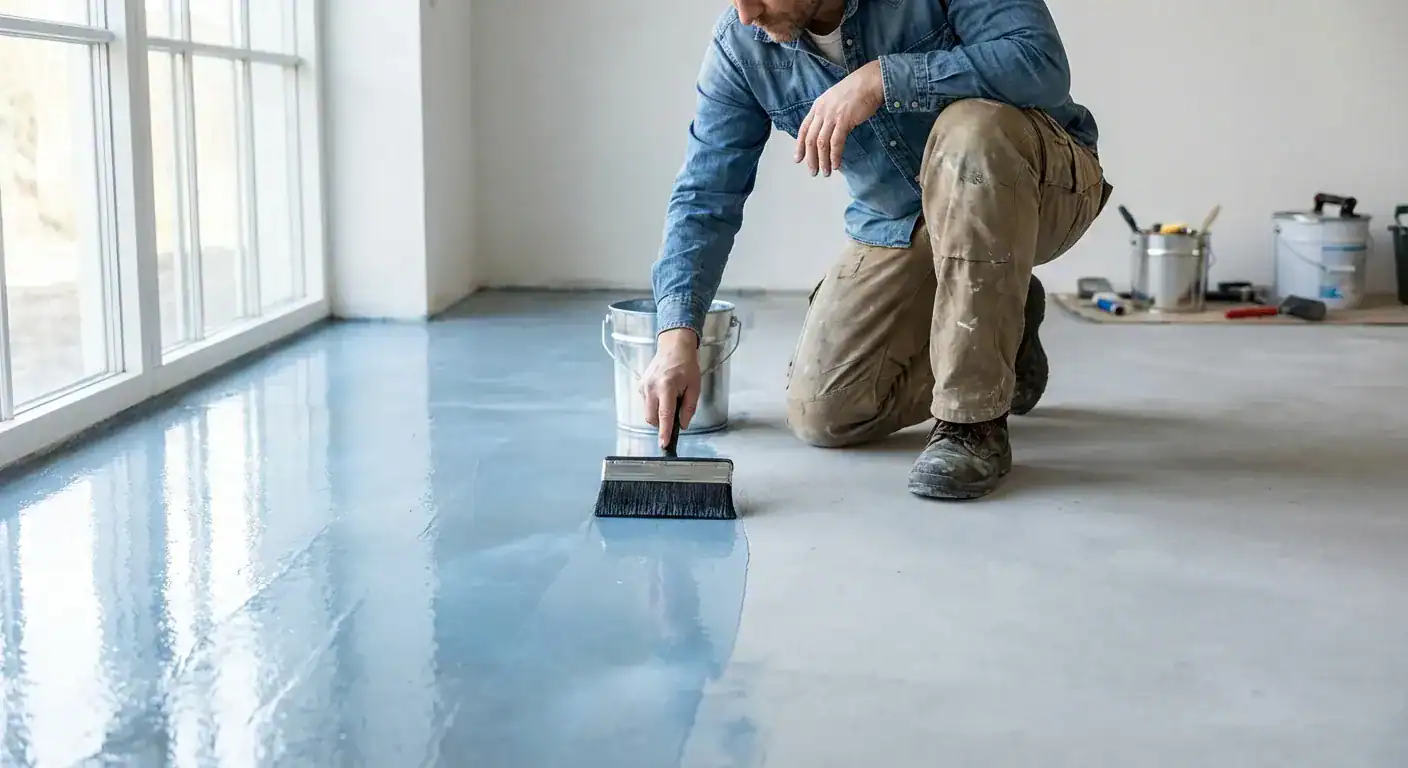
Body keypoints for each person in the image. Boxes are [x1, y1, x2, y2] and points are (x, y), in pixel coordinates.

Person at [639, 0, 1112, 499]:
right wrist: (676, 339)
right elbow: (706, 193)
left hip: (1041, 188)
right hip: (902, 223)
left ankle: (972, 425)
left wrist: (883, 79)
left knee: (972, 128)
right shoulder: (740, 47)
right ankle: (1005, 332)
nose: (746, 12)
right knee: (825, 410)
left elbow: (1040, 64)